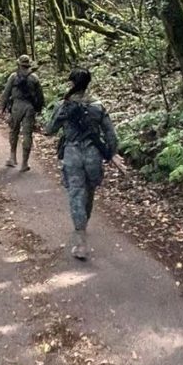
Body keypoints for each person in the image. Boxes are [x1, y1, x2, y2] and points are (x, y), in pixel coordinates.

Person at [45, 67, 118, 260]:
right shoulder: (98, 106)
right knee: (90, 191)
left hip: (72, 154)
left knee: (76, 193)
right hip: (94, 154)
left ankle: (81, 241)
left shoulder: (64, 105)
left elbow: (50, 129)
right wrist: (109, 154)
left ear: (72, 83)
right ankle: (83, 224)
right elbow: (111, 135)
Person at [0, 54, 44, 171]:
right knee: (27, 135)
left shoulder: (13, 77)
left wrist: (3, 107)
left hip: (16, 107)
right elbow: (40, 97)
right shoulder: (34, 78)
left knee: (13, 131)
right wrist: (38, 109)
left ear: (18, 64)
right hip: (29, 108)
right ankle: (24, 163)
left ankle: (13, 157)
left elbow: (6, 93)